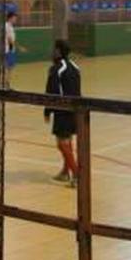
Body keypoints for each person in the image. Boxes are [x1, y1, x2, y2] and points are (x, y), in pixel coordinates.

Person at [45, 39, 81, 187]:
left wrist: (47, 111)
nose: (52, 51)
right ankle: (66, 172)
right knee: (68, 141)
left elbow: (51, 92)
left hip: (63, 111)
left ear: (59, 51)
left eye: (54, 49)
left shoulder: (56, 69)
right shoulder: (76, 66)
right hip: (76, 109)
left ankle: (77, 175)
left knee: (62, 144)